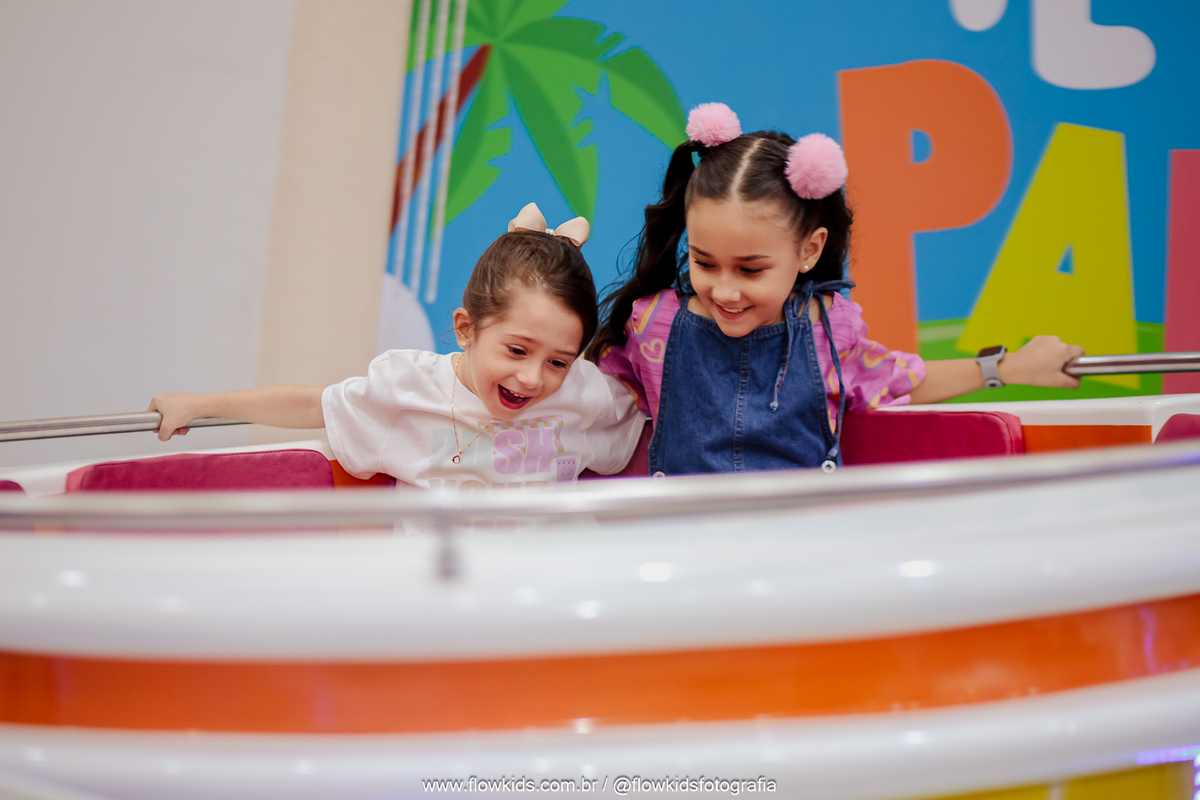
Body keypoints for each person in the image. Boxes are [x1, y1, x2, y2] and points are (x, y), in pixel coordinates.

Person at [588, 102, 1083, 476]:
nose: (725, 290)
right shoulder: (653, 322)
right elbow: (590, 396)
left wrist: (1007, 368)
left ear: (808, 250)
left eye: (751, 270)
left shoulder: (828, 329)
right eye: (704, 262)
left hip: (804, 548)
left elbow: (897, 378)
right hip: (686, 549)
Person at [150, 204, 645, 489]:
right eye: (517, 350)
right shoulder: (409, 386)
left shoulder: (584, 392)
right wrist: (201, 404)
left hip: (549, 604)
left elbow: (649, 410)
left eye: (558, 361)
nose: (534, 378)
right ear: (466, 329)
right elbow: (313, 404)